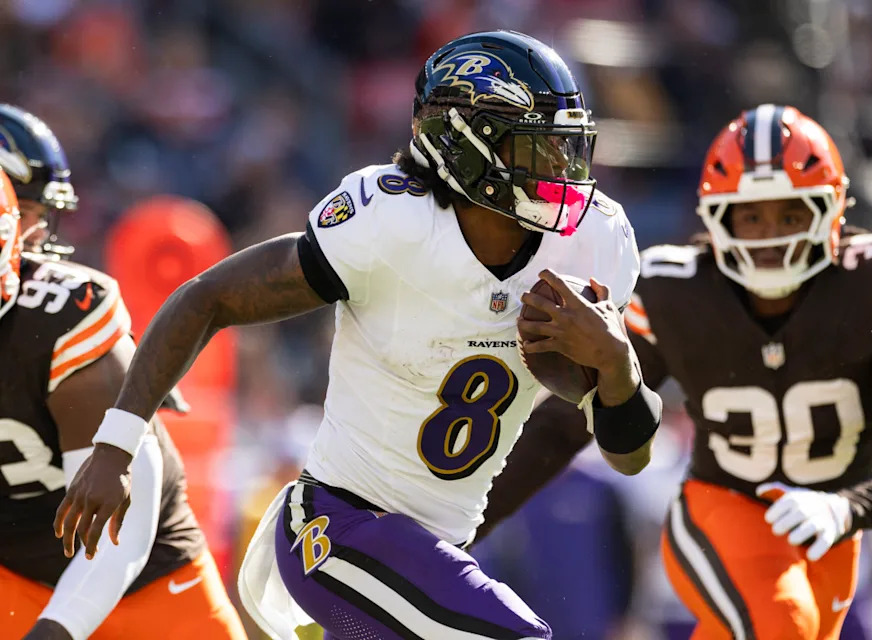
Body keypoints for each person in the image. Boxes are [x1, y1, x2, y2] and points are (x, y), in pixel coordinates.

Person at [56, 31, 662, 640]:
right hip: (334, 526)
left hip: (434, 550)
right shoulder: (391, 223)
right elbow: (206, 297)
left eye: (565, 145)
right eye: (536, 147)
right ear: (464, 145)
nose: (560, 168)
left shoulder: (593, 243)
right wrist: (116, 446)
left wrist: (616, 368)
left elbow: (630, 457)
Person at [479, 104, 872, 640]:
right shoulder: (677, 292)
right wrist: (464, 524)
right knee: (782, 626)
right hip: (722, 512)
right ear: (716, 217)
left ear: (831, 210)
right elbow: (567, 425)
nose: (770, 237)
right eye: (751, 216)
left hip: (828, 535)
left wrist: (845, 508)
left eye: (790, 215)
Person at [0, 105, 246, 640]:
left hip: (150, 582)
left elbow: (122, 531)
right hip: (12, 574)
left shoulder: (62, 316)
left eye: (35, 212)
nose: (37, 230)